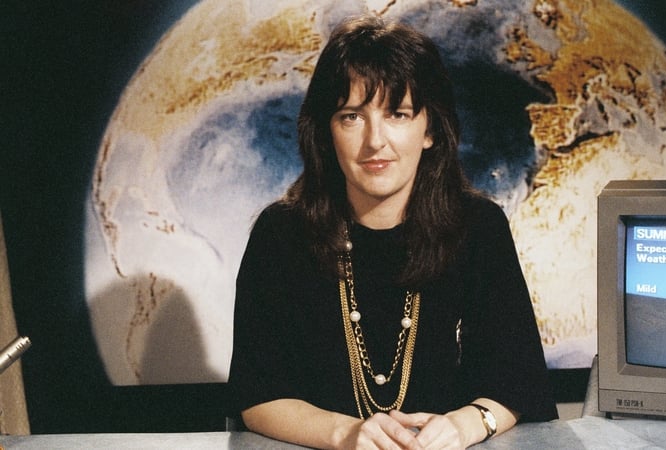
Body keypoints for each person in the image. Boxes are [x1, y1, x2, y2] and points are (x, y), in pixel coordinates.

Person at [228, 14, 557, 449]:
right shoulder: (281, 234)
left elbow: (518, 381)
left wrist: (464, 424)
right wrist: (348, 434)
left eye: (398, 113)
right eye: (351, 116)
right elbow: (257, 396)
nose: (375, 140)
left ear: (430, 130)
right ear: (326, 132)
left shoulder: (478, 227)